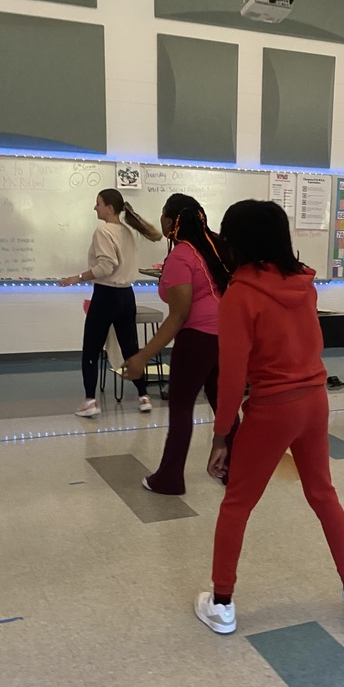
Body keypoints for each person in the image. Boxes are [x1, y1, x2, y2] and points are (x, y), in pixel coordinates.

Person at [195, 200, 344, 635]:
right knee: (322, 493)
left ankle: (222, 603)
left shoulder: (239, 296)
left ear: (235, 241)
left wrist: (222, 437)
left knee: (237, 503)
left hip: (271, 410)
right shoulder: (304, 285)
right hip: (315, 401)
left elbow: (231, 377)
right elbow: (311, 343)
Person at [122, 194, 237, 495]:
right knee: (223, 404)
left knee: (181, 407)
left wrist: (142, 356)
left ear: (172, 222)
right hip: (225, 336)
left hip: (197, 339)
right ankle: (235, 470)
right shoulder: (215, 246)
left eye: (162, 214)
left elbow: (178, 316)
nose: (159, 219)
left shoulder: (182, 256)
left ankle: (170, 479)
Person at [58, 189, 161, 418]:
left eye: (98, 204)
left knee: (91, 349)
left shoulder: (103, 231)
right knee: (130, 347)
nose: (95, 208)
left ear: (110, 209)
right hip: (127, 296)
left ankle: (90, 401)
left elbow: (106, 266)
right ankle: (143, 396)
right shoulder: (126, 232)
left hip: (106, 296)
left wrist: (78, 277)